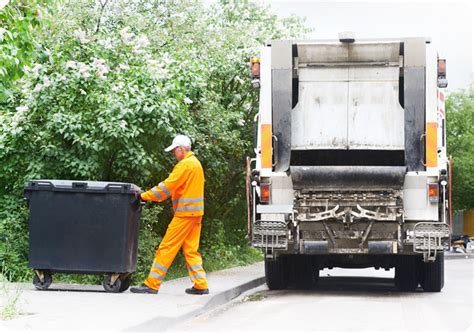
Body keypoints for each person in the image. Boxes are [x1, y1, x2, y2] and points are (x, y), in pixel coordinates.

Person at [130, 135, 209, 295]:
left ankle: (152, 284)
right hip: (195, 213)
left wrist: (144, 196)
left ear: (181, 149)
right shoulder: (196, 164)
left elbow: (167, 187)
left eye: (174, 150)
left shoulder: (185, 165)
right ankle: (200, 284)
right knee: (191, 250)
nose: (174, 153)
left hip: (185, 214)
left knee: (166, 247)